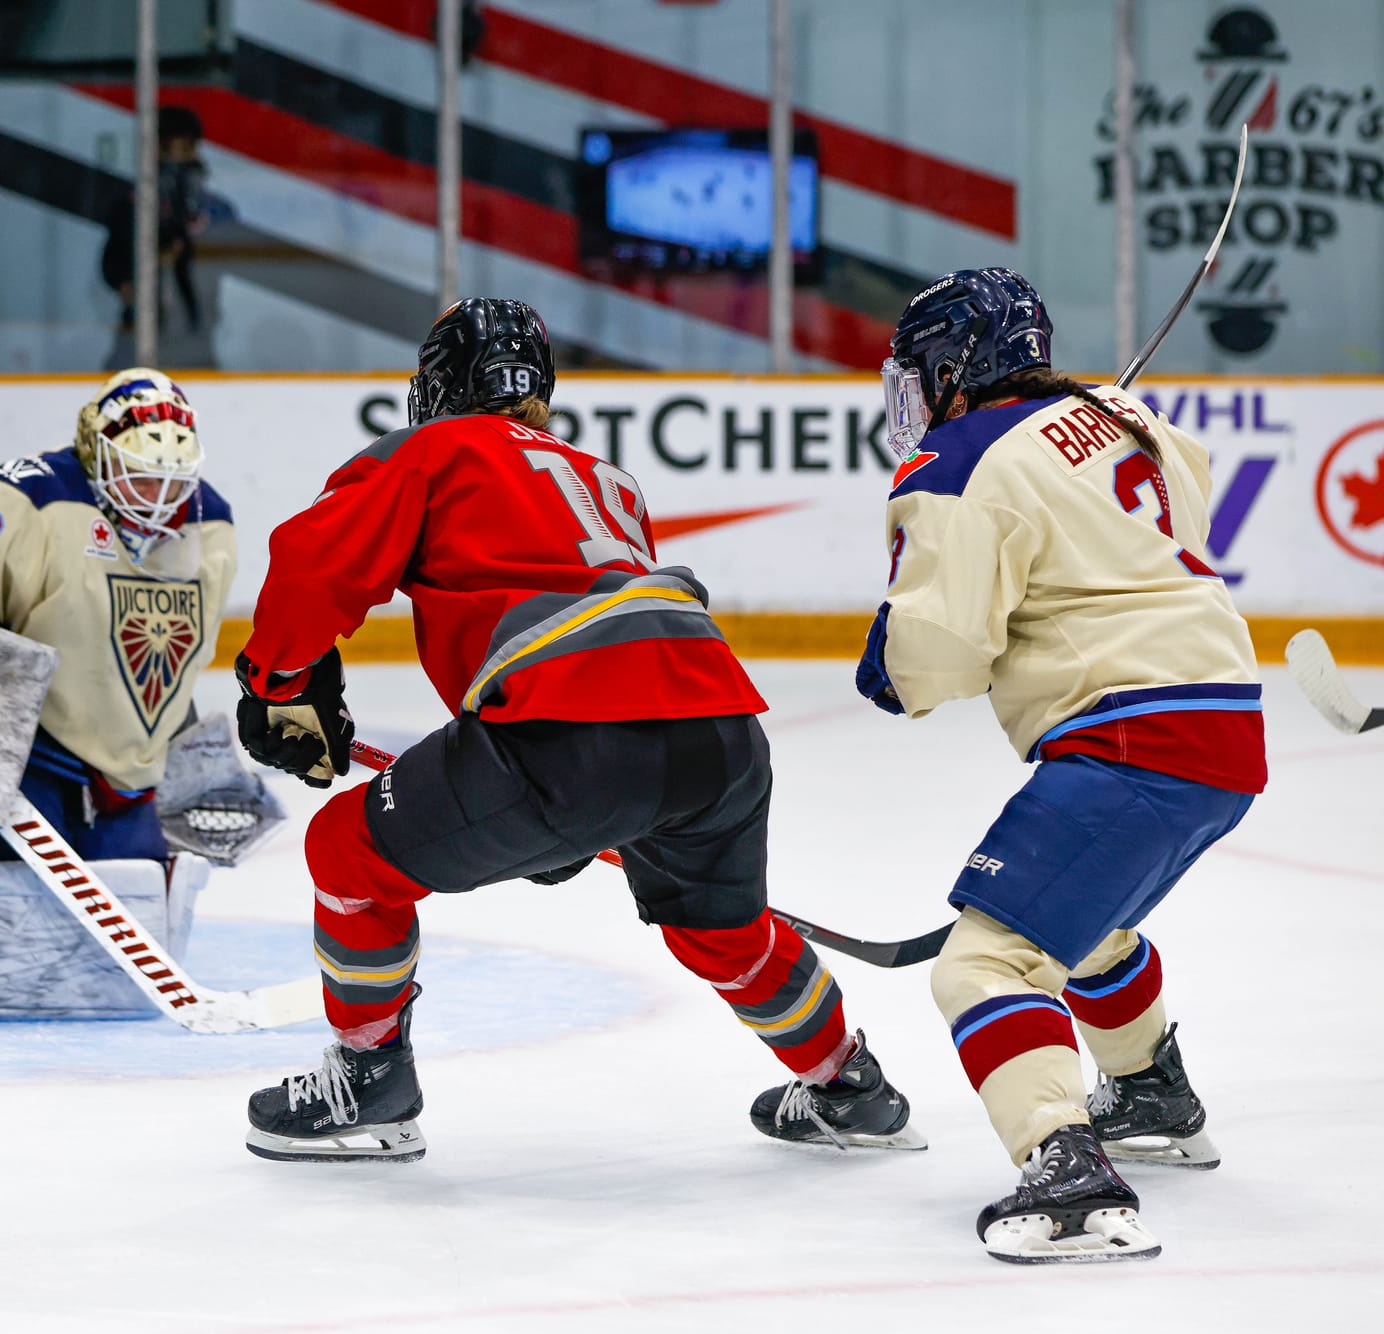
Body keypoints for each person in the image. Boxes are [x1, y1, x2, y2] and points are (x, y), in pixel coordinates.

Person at [231, 297, 921, 1163]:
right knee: (723, 927)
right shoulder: (606, 479)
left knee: (346, 852)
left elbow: (314, 561)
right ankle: (845, 1085)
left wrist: (277, 683)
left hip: (571, 732)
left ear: (437, 385)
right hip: (722, 733)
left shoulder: (432, 448)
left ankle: (370, 1082)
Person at [863, 268, 1263, 1262]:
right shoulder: (1123, 414)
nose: (912, 394)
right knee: (1082, 924)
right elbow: (1186, 507)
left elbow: (940, 659)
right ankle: (1150, 1089)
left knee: (984, 963)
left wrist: (892, 653)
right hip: (1226, 726)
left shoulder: (958, 455)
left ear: (954, 365)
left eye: (920, 371)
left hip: (1130, 736)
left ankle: (1066, 1166)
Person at [0, 368, 237, 866]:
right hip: (21, 749)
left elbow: (172, 649)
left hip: (120, 779)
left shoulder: (209, 523)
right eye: (142, 477)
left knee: (136, 901)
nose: (157, 498)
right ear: (100, 456)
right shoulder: (35, 492)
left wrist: (163, 737)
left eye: (170, 482)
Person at [100, 106, 209, 335]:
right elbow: (115, 252)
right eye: (175, 150)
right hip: (145, 338)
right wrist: (123, 282)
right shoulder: (131, 206)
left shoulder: (205, 210)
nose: (182, 162)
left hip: (191, 345)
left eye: (189, 150)